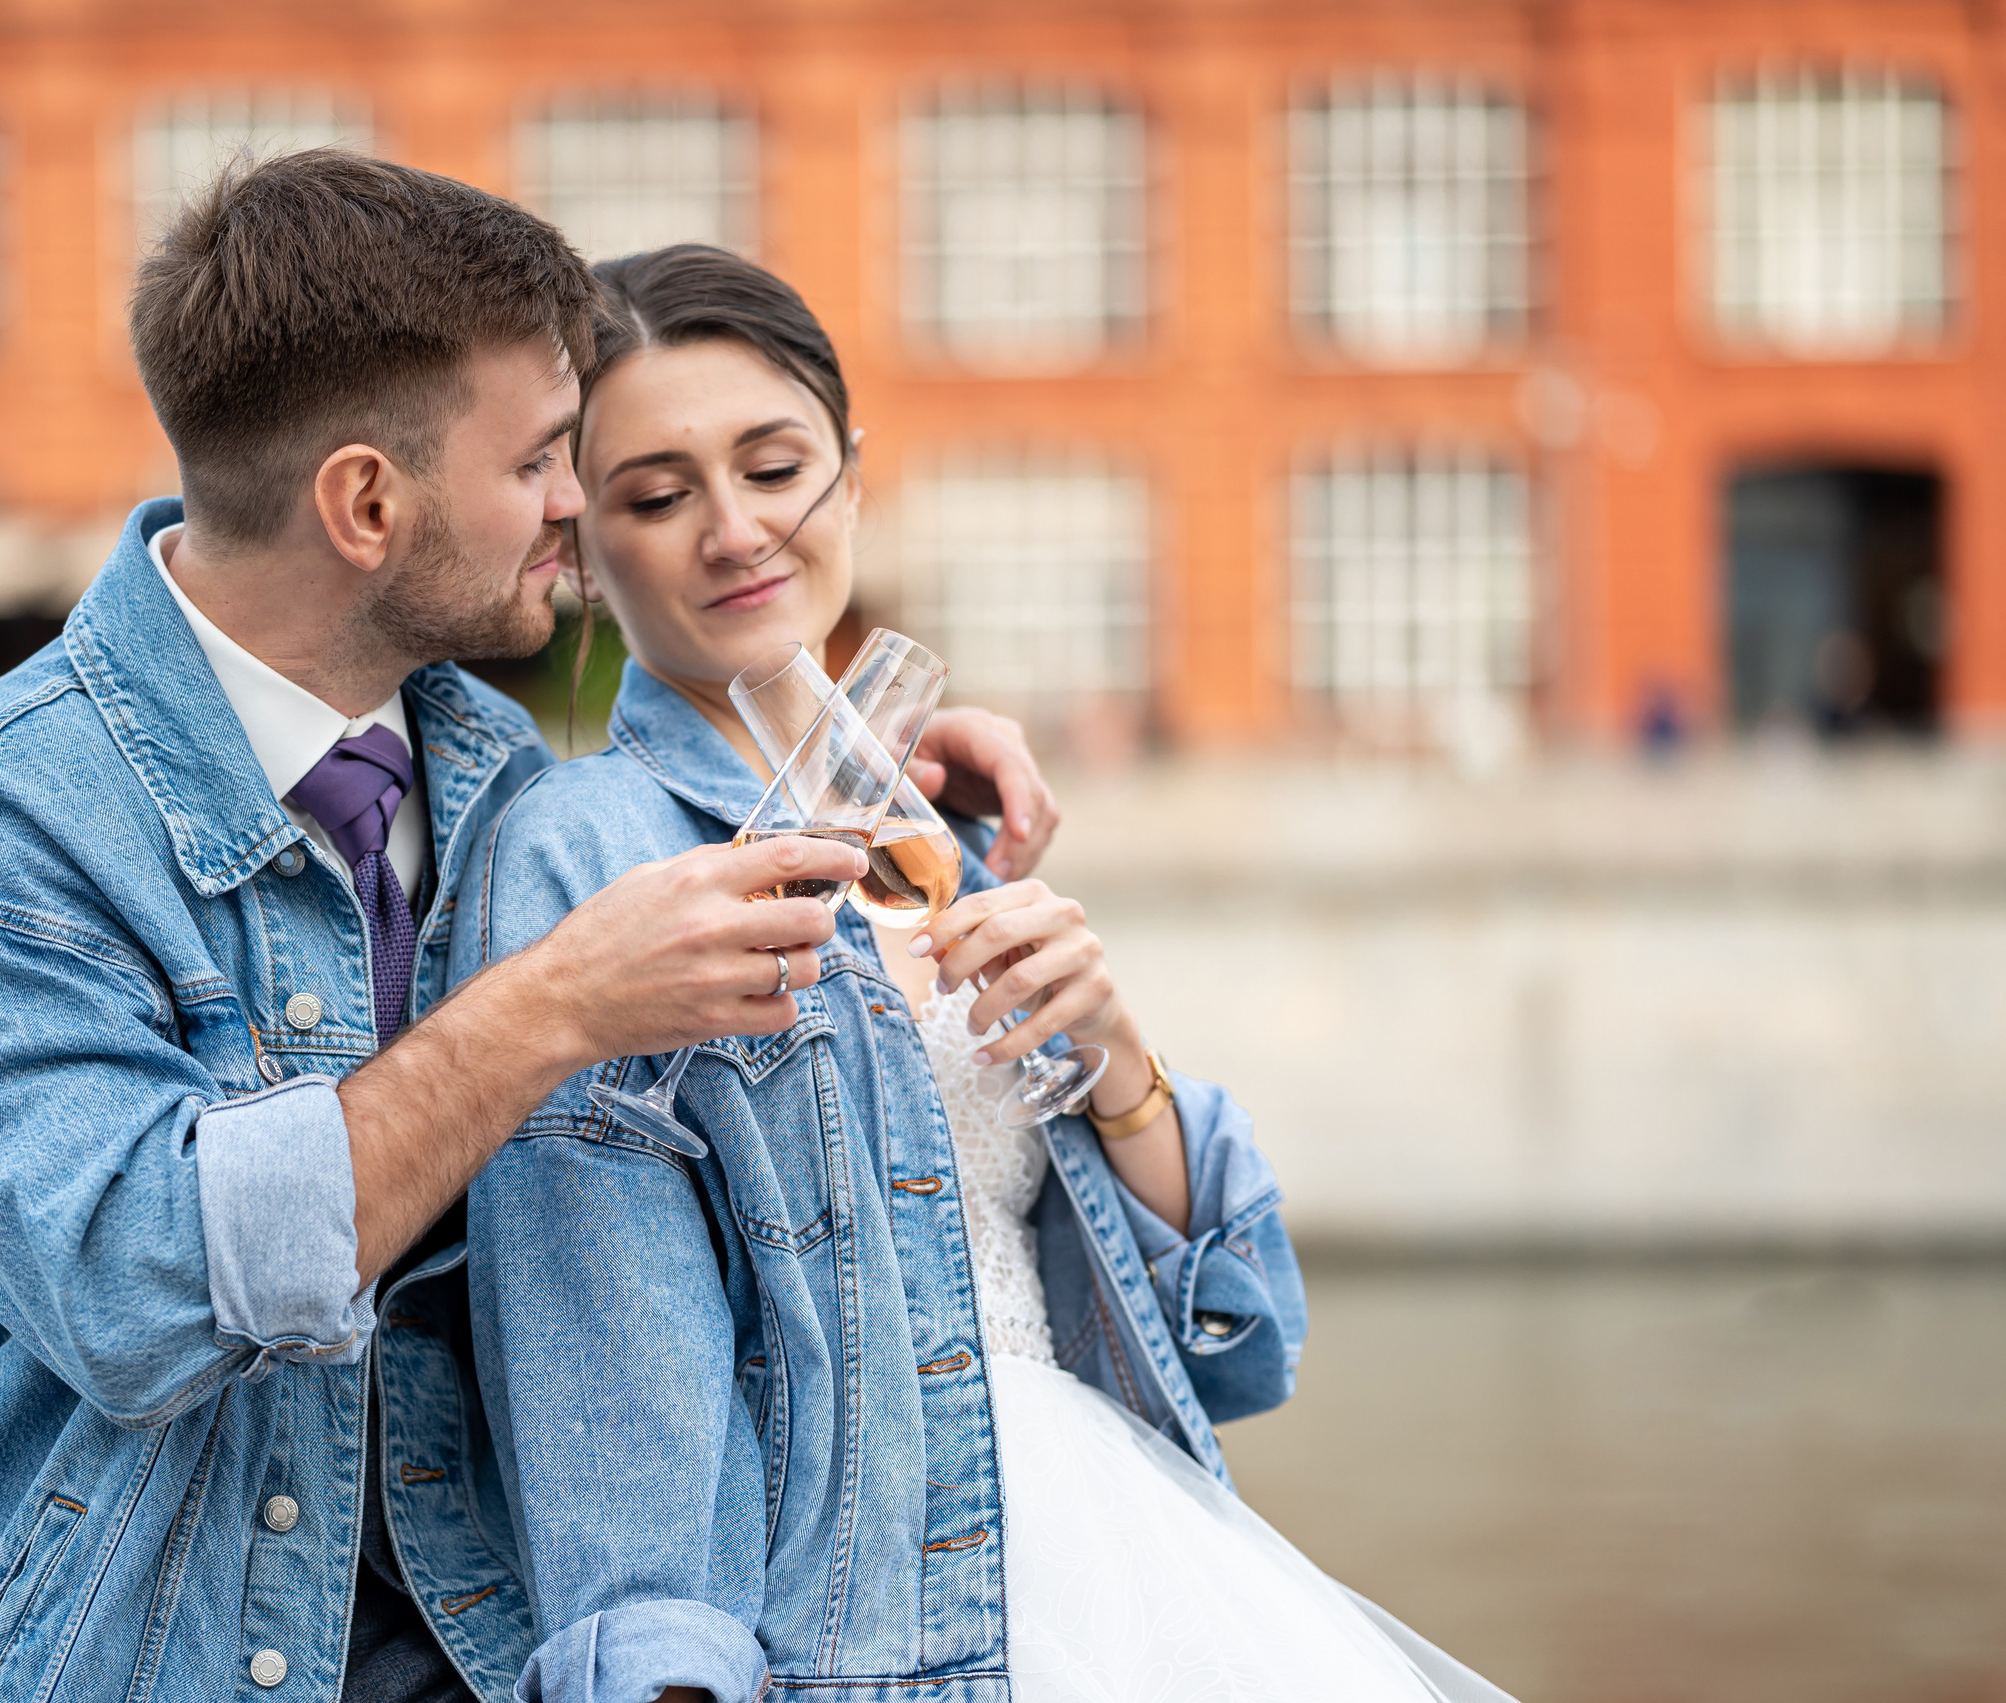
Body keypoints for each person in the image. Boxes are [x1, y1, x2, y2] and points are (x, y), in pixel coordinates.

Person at [0, 158, 1062, 1703]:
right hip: (100, 1658)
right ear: (365, 503)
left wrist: (881, 768)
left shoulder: (493, 772)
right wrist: (552, 1007)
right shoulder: (5, 817)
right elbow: (143, 1290)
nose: (573, 509)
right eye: (544, 462)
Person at [457, 246, 1514, 1703]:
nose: (735, 531)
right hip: (857, 1626)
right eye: (655, 495)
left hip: (1121, 1559)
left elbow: (1237, 1351)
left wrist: (1119, 1064)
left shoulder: (941, 827)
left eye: (776, 467)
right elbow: (605, 1355)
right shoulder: (584, 854)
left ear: (855, 476)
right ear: (579, 540)